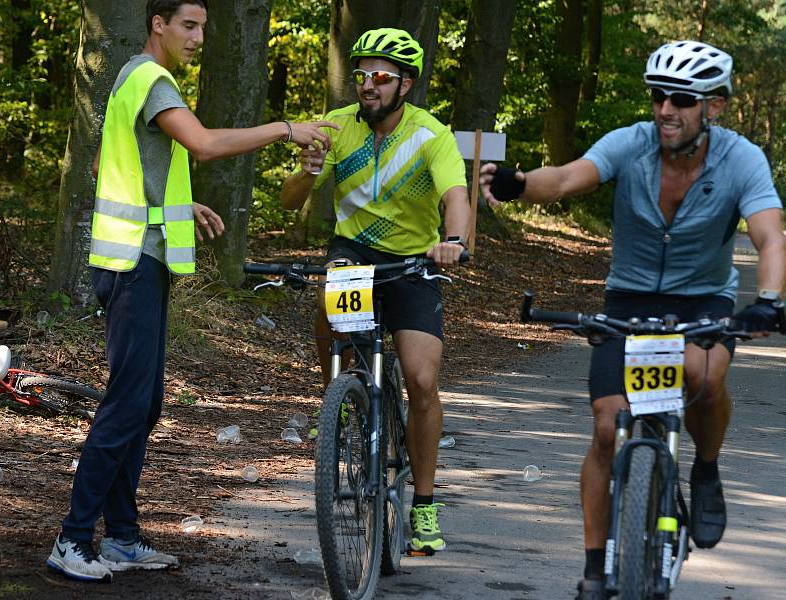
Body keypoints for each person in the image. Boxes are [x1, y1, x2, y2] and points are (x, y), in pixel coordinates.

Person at [479, 40, 785, 599]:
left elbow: (769, 234)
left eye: (682, 100)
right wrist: (520, 185)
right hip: (629, 300)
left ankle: (707, 468)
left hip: (702, 301)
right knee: (604, 430)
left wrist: (768, 299)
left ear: (713, 107)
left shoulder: (741, 158)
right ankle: (596, 570)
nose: (666, 109)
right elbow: (570, 178)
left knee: (704, 376)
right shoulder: (631, 144)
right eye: (659, 97)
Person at [47, 0, 337, 582]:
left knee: (144, 404)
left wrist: (184, 205)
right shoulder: (152, 79)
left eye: (203, 26)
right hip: (133, 263)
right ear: (158, 23)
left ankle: (123, 538)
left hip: (141, 258)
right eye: (189, 25)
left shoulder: (139, 78)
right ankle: (73, 539)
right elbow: (202, 144)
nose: (199, 37)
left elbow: (130, 164)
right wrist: (285, 129)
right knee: (127, 403)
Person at [280, 28, 470, 554]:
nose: (369, 84)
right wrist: (305, 172)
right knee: (328, 306)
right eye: (362, 75)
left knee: (422, 378)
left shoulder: (431, 135)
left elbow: (457, 196)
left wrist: (453, 241)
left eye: (381, 76)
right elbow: (288, 201)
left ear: (405, 85)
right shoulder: (335, 128)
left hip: (414, 261)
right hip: (353, 253)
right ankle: (341, 398)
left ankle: (425, 503)